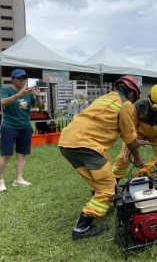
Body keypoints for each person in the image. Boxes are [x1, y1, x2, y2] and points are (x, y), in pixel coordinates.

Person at [58, 75, 146, 240]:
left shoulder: (106, 98)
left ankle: (102, 202)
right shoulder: (126, 104)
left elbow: (106, 124)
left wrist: (135, 139)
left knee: (100, 178)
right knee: (107, 188)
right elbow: (129, 138)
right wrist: (139, 160)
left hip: (67, 143)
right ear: (132, 94)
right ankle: (82, 228)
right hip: (86, 145)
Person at [113, 84, 157, 179]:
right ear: (149, 96)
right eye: (154, 103)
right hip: (138, 134)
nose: (156, 108)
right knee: (124, 157)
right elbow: (130, 128)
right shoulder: (138, 106)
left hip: (156, 135)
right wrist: (129, 145)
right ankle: (113, 182)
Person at [0, 69, 43, 192]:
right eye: (19, 78)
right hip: (9, 126)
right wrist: (19, 95)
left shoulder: (29, 93)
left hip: (25, 126)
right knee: (5, 155)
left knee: (21, 154)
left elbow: (40, 107)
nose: (22, 80)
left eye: (24, 78)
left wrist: (38, 96)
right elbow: (3, 102)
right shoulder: (5, 91)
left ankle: (18, 179)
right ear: (13, 79)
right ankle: (0, 181)